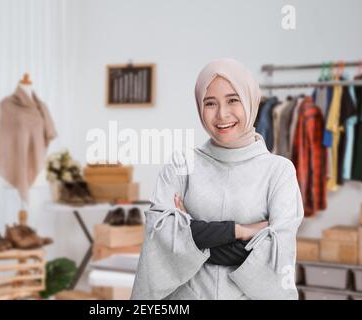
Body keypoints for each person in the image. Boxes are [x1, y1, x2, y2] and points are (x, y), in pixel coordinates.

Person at [130, 58, 304, 300]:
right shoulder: (181, 165)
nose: (222, 114)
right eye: (210, 103)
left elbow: (276, 256)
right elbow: (159, 240)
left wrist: (191, 234)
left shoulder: (279, 172)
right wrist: (243, 231)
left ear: (250, 100)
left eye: (233, 100)